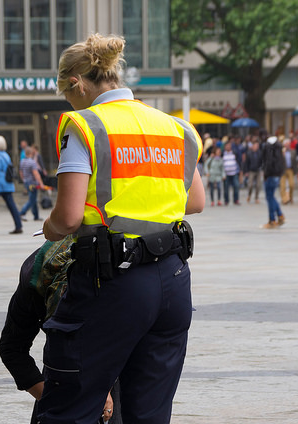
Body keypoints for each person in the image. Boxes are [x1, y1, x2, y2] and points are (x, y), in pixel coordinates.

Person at [38, 34, 205, 423]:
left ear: (76, 82)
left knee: (70, 405)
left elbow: (67, 218)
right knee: (148, 411)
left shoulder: (85, 125)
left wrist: (48, 228)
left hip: (110, 282)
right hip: (173, 279)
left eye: (66, 93)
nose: (68, 102)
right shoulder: (174, 127)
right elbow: (195, 202)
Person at [0, 236, 121, 424]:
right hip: (59, 376)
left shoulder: (122, 279)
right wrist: (50, 398)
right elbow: (12, 348)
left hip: (117, 363)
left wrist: (104, 389)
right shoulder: (35, 279)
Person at [261, 136, 286, 229]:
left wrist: (266, 174)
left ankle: (272, 220)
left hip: (270, 175)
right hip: (277, 175)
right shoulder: (279, 149)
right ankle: (280, 216)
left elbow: (268, 162)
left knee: (269, 197)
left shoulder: (269, 148)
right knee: (271, 197)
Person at [19, 146, 45, 221]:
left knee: (33, 199)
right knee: (32, 200)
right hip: (33, 183)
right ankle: (22, 213)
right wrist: (41, 183)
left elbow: (21, 172)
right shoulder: (32, 162)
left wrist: (24, 179)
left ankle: (36, 216)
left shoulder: (22, 161)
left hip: (26, 182)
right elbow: (36, 173)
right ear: (31, 153)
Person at [222, 141, 241, 205]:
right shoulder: (223, 154)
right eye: (227, 146)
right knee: (226, 188)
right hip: (226, 174)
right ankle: (226, 200)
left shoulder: (234, 153)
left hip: (234, 173)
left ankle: (236, 200)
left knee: (236, 186)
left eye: (229, 146)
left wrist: (240, 171)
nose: (228, 147)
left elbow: (239, 161)